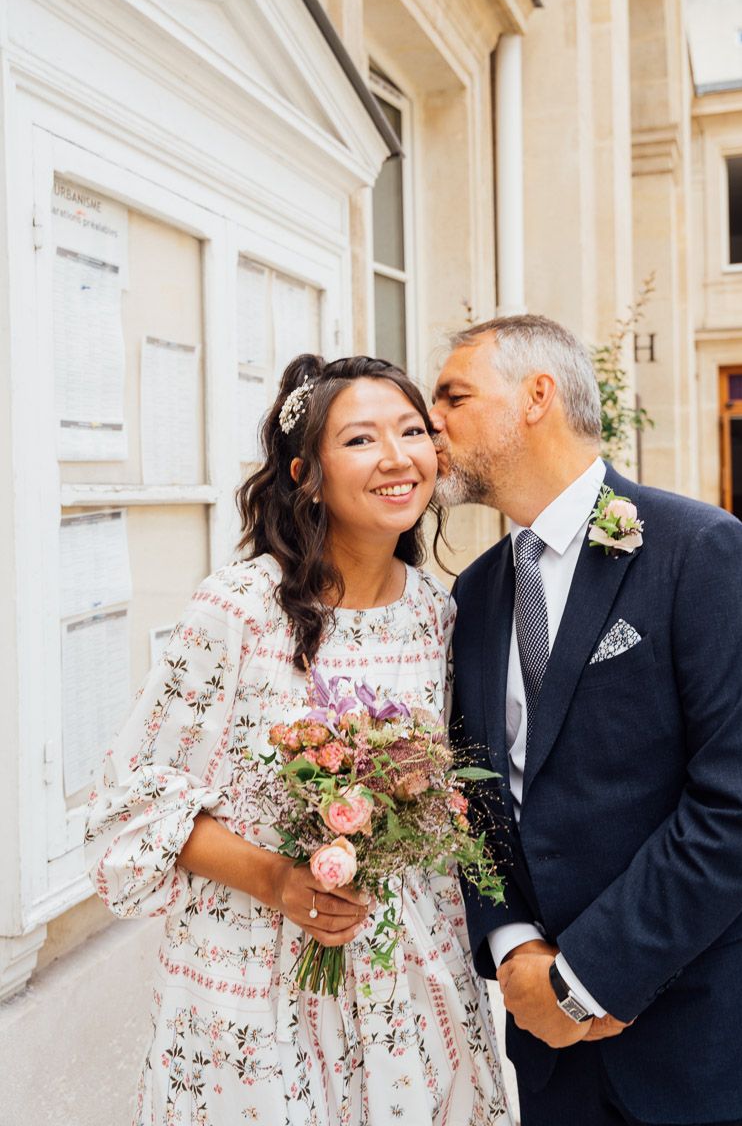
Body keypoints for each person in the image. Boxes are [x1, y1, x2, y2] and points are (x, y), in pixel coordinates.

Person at [86, 354, 512, 1126]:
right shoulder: (239, 609)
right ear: (305, 474)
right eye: (359, 440)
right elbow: (130, 799)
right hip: (254, 973)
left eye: (412, 431)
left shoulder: (436, 614)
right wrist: (280, 881)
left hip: (402, 971)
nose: (395, 457)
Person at [430, 314, 742, 1126]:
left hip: (711, 1032)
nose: (433, 424)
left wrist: (584, 976)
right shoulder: (477, 593)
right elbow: (476, 800)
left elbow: (738, 810)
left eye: (453, 396)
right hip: (554, 1056)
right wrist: (515, 948)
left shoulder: (704, 552)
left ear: (537, 396)